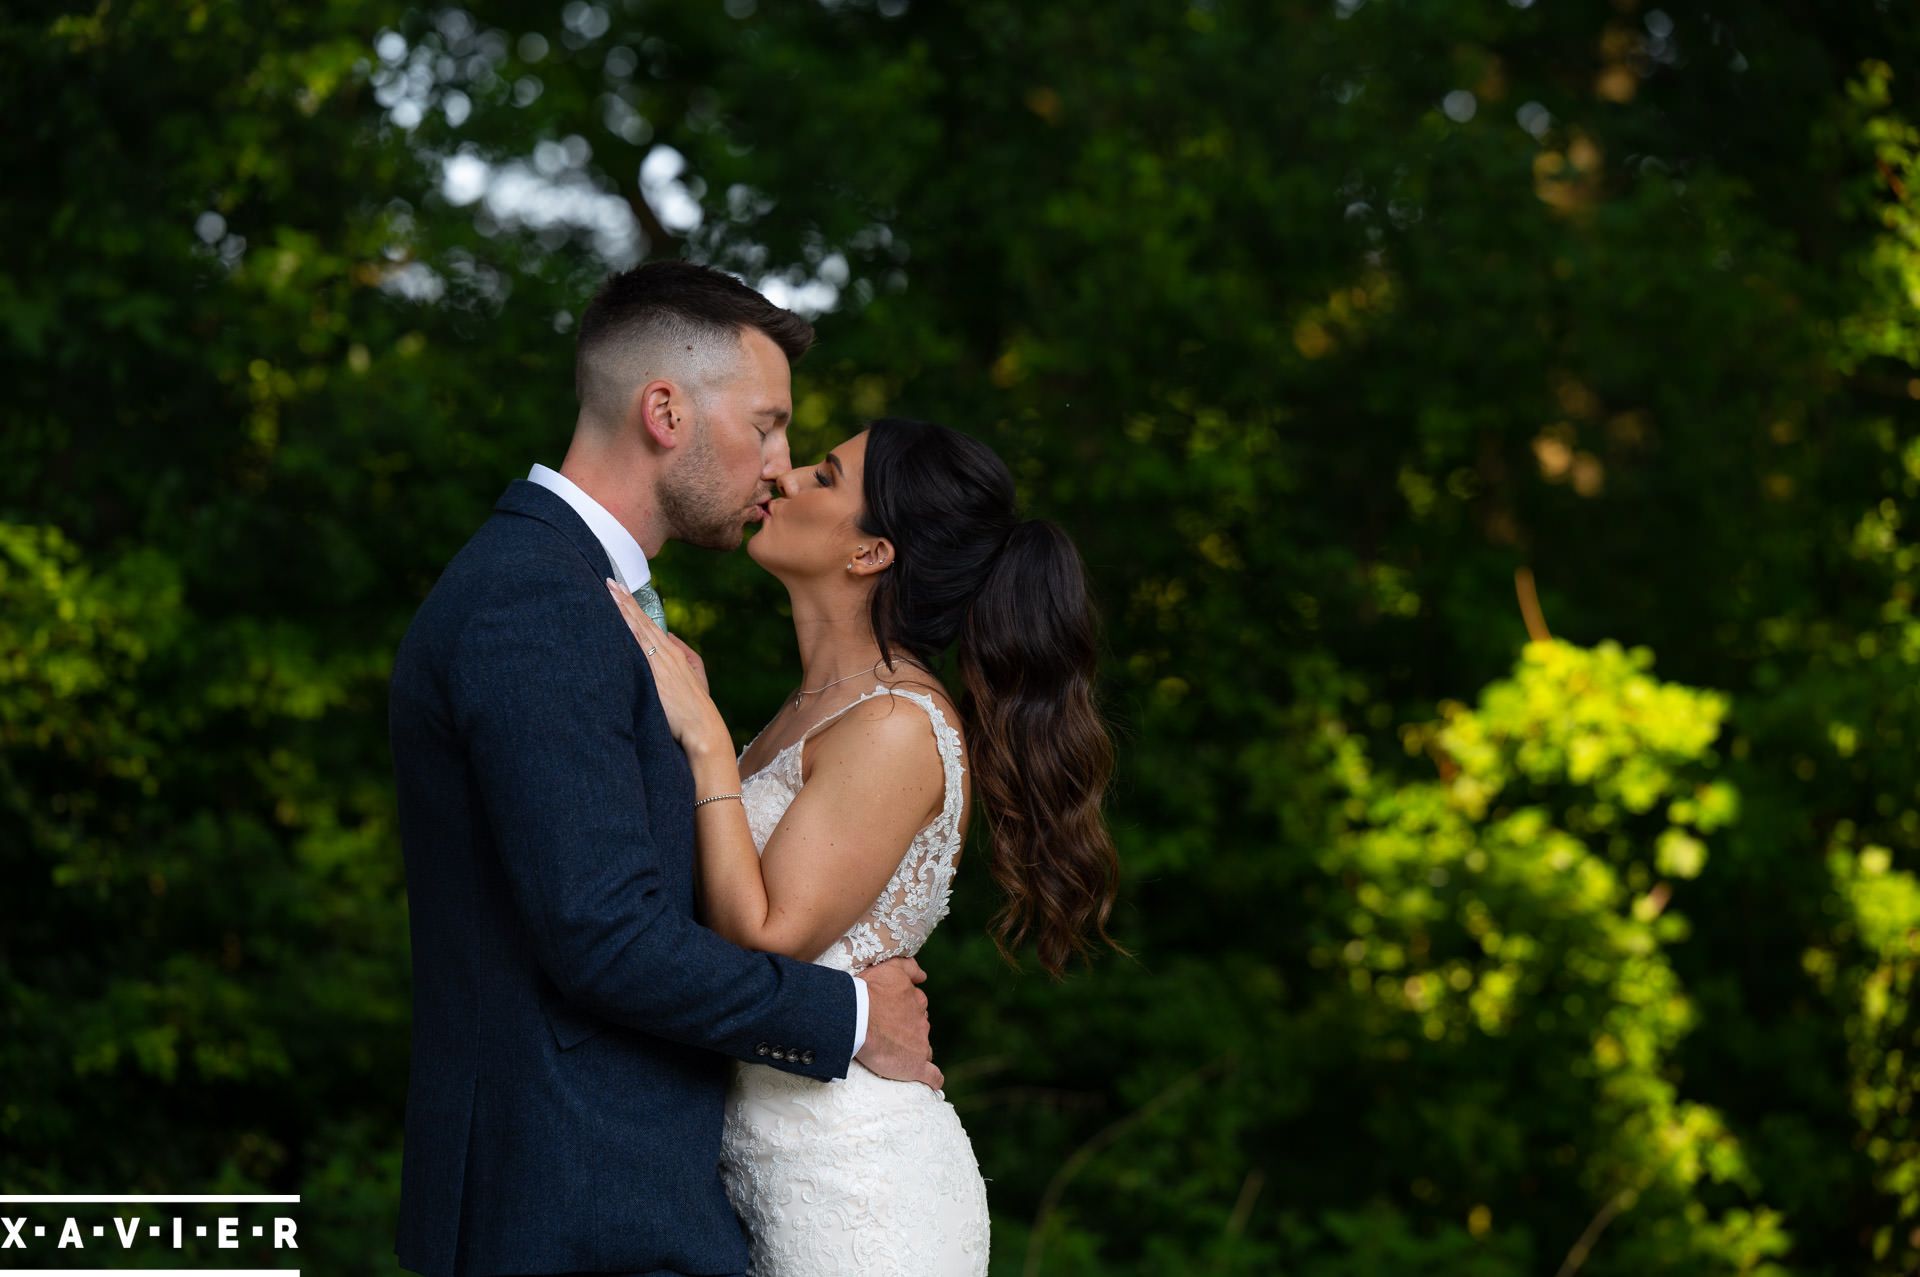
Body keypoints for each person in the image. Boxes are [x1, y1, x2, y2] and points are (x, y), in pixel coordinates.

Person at [387, 261, 941, 1277]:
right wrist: (852, 1015)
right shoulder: (535, 602)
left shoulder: (585, 595)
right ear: (664, 411)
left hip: (635, 1208)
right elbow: (603, 933)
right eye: (769, 424)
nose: (778, 466)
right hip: (566, 1212)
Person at [604, 416, 1124, 1277]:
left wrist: (702, 735)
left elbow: (765, 935)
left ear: (870, 553)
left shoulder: (893, 724)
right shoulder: (805, 712)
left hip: (859, 1193)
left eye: (825, 474)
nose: (784, 474)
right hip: (757, 1169)